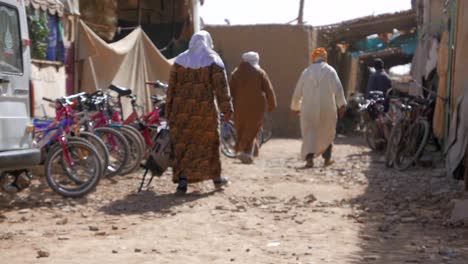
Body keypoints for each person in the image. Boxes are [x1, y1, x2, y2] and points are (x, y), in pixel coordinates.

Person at [166, 31, 233, 194]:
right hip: (205, 113)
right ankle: (216, 179)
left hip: (180, 111)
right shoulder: (213, 59)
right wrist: (227, 109)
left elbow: (171, 89)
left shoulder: (180, 60)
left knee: (183, 145)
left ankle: (182, 183)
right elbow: (221, 88)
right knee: (209, 144)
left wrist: (169, 111)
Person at [290, 47, 347, 168]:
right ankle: (327, 159)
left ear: (314, 58)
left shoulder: (306, 72)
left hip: (308, 108)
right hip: (327, 108)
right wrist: (341, 104)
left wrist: (295, 106)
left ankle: (309, 159)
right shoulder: (331, 71)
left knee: (309, 133)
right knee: (327, 131)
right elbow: (338, 89)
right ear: (325, 58)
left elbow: (297, 91)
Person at [229, 51, 277, 164]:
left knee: (242, 129)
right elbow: (269, 90)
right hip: (256, 108)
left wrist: (227, 107)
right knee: (252, 128)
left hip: (239, 107)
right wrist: (272, 104)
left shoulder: (235, 73)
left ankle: (250, 152)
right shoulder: (260, 73)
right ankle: (248, 154)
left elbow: (229, 91)